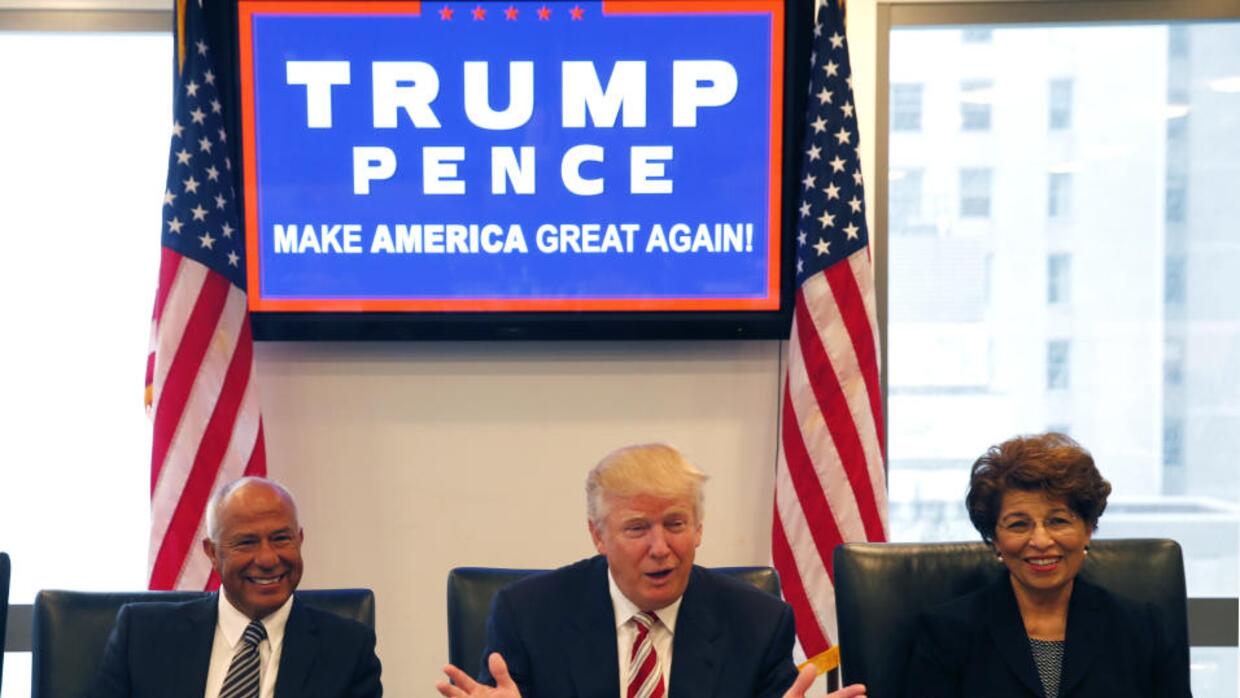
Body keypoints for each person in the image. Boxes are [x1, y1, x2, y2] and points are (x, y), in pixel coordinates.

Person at [436, 443, 866, 698]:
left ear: (698, 528)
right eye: (637, 528)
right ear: (598, 536)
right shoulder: (528, 615)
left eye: (675, 524)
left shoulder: (759, 622)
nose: (660, 548)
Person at [902, 433, 1192, 698]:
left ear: (1088, 529)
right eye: (1018, 524)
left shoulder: (1142, 630)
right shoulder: (946, 633)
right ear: (995, 539)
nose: (1040, 541)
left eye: (1058, 521)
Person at [91, 477, 382, 698]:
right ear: (212, 553)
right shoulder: (142, 635)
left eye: (281, 538)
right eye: (246, 542)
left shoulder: (347, 649)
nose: (268, 559)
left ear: (300, 540)